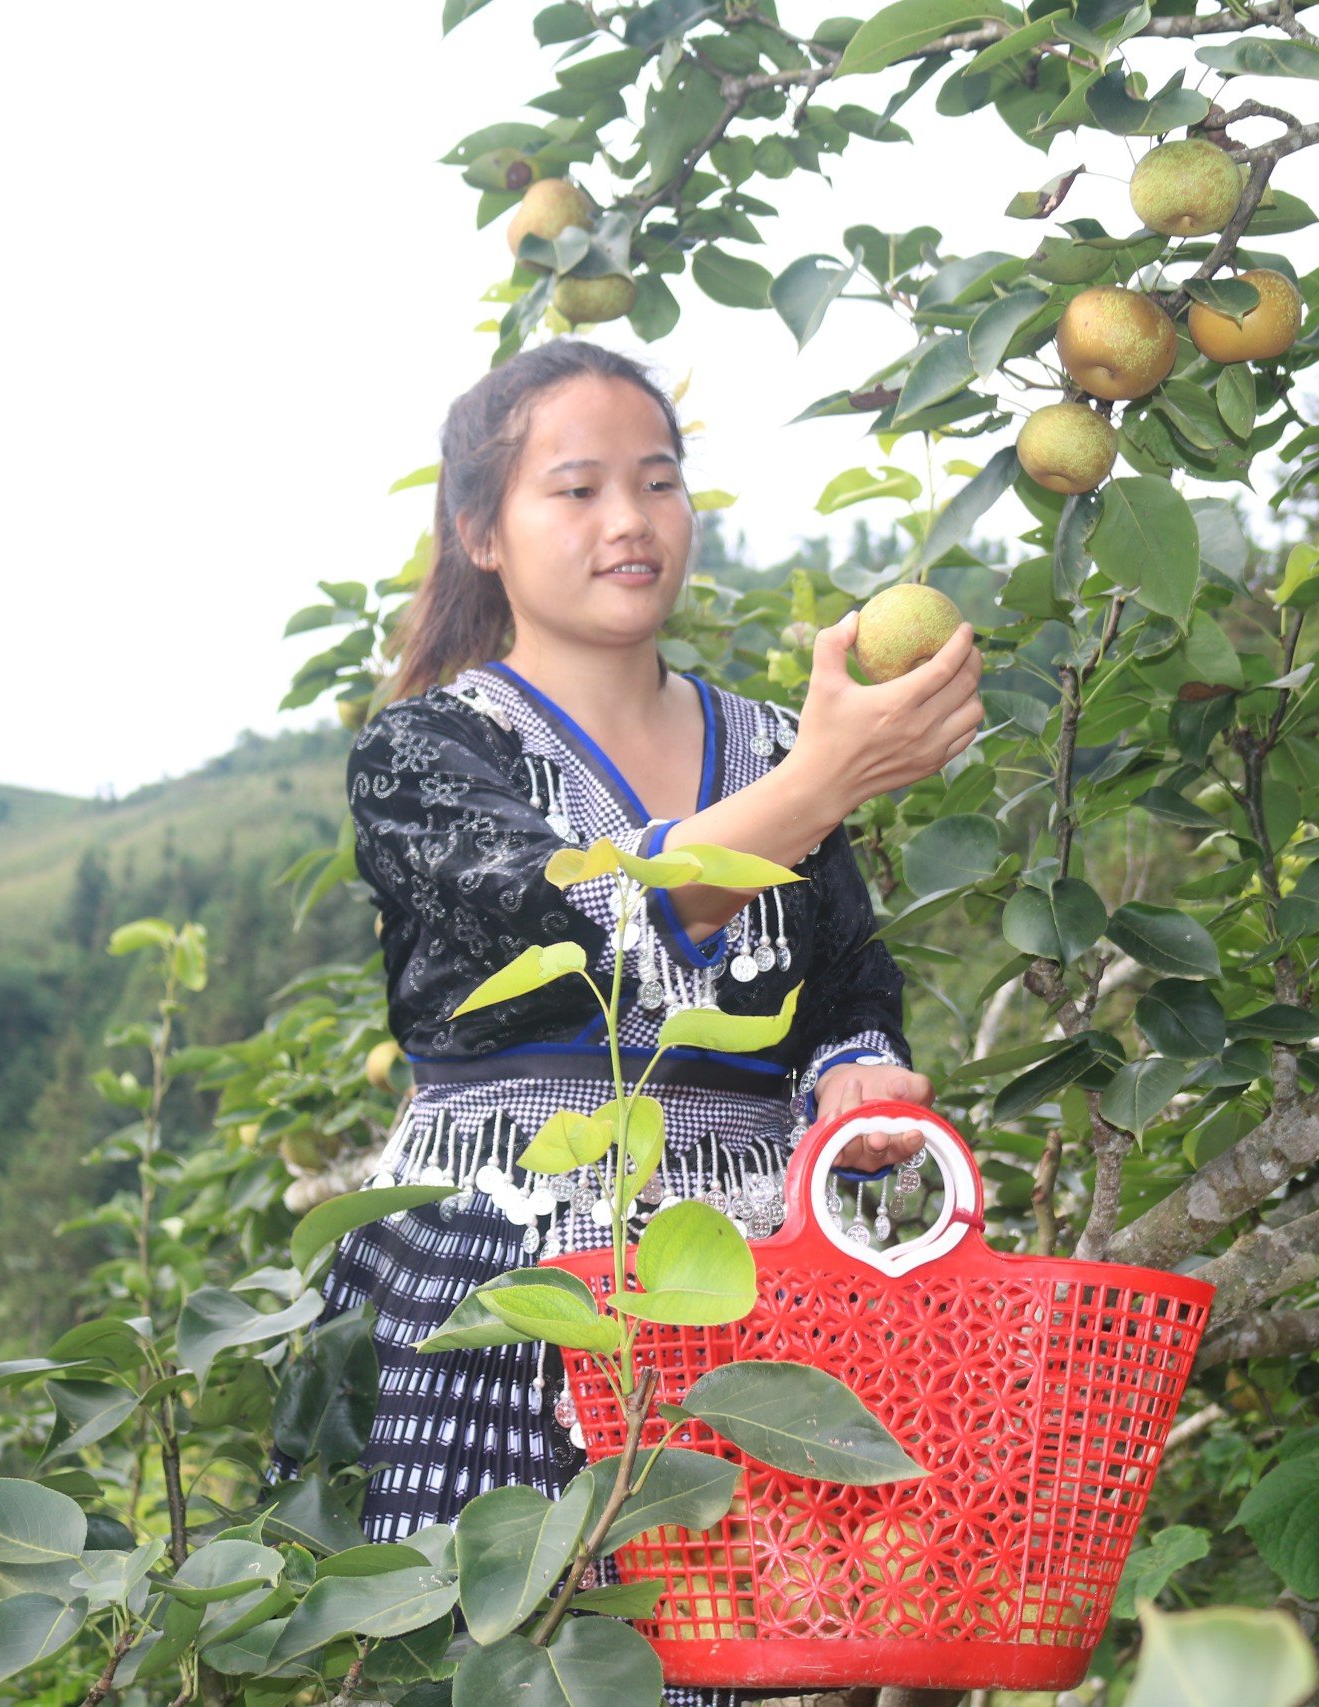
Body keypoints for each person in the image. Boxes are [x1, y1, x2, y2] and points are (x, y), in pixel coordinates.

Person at [311, 338, 981, 1704]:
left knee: (737, 1661)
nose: (630, 521)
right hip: (504, 1271)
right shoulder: (426, 754)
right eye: (576, 489)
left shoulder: (782, 739)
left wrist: (861, 1083)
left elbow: (843, 982)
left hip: (739, 1277)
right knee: (507, 1649)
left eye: (659, 481)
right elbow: (569, 931)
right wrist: (824, 785)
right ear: (480, 531)